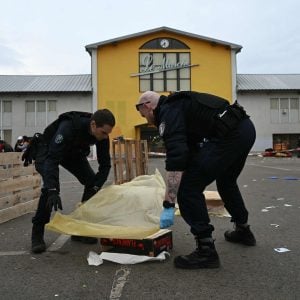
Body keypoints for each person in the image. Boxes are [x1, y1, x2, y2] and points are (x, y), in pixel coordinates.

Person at [135, 91, 256, 269]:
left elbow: (176, 157)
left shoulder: (168, 112)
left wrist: (169, 203)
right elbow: (190, 152)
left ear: (147, 106)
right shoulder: (180, 106)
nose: (145, 119)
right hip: (245, 129)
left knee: (188, 189)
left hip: (229, 135)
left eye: (142, 114)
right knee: (226, 181)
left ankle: (206, 250)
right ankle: (243, 230)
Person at [23, 110, 116, 254]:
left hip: (71, 151)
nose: (105, 137)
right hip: (48, 149)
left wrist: (96, 187)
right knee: (50, 189)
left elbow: (105, 165)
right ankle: (37, 233)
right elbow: (52, 160)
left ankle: (79, 230)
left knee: (91, 183)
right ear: (93, 125)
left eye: (108, 133)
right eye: (103, 132)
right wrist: (53, 189)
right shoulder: (68, 127)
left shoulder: (103, 136)